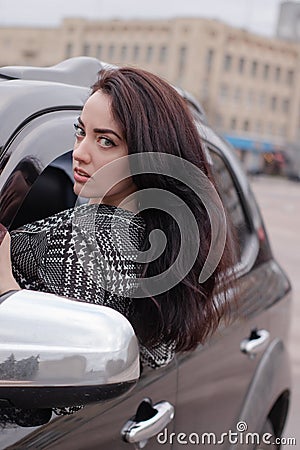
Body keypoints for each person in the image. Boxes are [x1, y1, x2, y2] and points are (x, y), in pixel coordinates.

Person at [0, 67, 237, 369]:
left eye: (106, 141)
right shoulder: (157, 242)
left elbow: (60, 372)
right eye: (81, 131)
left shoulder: (95, 242)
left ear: (148, 153)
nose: (79, 152)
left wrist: (7, 287)